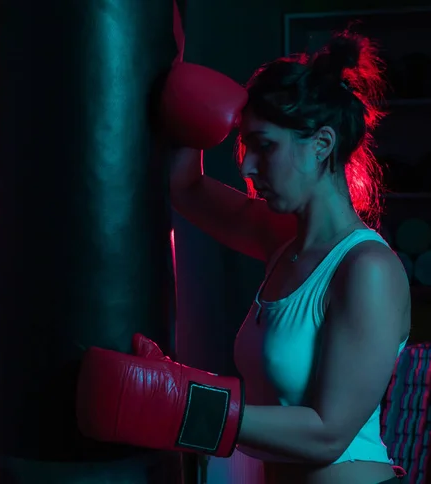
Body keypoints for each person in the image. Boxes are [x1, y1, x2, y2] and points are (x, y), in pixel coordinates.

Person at [168, 30, 411, 483]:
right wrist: (176, 76)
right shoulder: (283, 238)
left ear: (321, 144)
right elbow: (185, 188)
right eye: (245, 146)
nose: (246, 166)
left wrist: (184, 403)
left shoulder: (366, 269)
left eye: (264, 145)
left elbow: (327, 434)